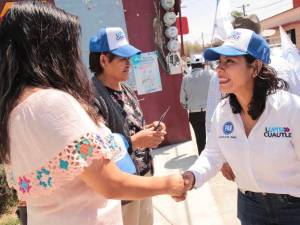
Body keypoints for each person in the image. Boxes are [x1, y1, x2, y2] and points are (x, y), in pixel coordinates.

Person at [0, 2, 188, 225]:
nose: (74, 55)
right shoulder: (54, 103)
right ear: (49, 52)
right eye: (68, 45)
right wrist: (170, 184)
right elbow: (109, 182)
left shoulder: (15, 109)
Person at [183, 28, 300, 225]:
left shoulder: (290, 109)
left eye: (230, 61)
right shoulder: (223, 112)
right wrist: (191, 176)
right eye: (219, 62)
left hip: (292, 207)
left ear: (255, 66)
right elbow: (212, 155)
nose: (219, 69)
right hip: (249, 205)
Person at [89, 27, 166, 225]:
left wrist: (150, 130)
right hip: (122, 189)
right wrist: (135, 141)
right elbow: (98, 151)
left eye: (129, 58)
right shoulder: (91, 99)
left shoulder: (126, 88)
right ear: (104, 60)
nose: (129, 64)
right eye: (123, 59)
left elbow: (131, 126)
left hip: (142, 178)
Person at [220, 13, 300, 182]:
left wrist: (224, 158)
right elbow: (218, 114)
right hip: (255, 182)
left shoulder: (282, 66)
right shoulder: (286, 65)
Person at [180, 54, 213, 155]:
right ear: (202, 64)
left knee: (200, 138)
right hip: (211, 111)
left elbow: (182, 99)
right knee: (214, 136)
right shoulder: (211, 74)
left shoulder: (186, 78)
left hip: (194, 114)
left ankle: (203, 157)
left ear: (192, 66)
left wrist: (187, 105)